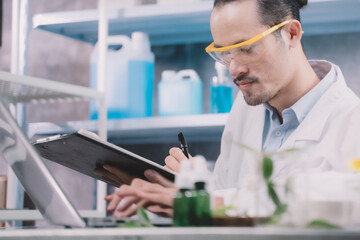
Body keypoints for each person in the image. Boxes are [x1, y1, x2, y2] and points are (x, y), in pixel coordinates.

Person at [102, 0, 360, 217]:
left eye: (246, 49)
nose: (234, 70)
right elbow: (229, 198)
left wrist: (206, 204)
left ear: (291, 33)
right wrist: (190, 192)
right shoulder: (247, 107)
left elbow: (328, 204)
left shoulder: (351, 122)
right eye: (224, 53)